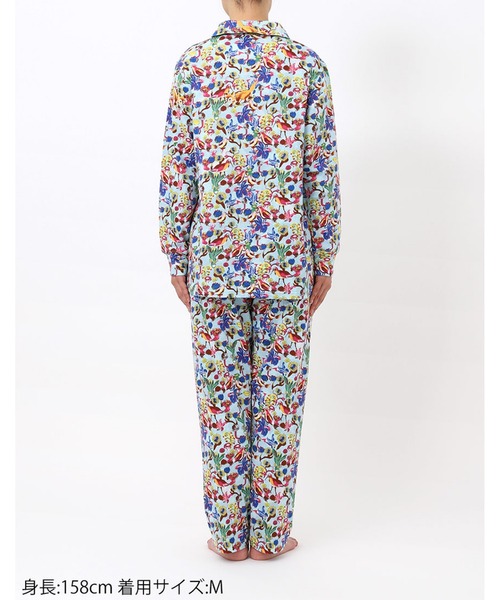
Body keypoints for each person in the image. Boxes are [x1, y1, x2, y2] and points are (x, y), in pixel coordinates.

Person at [158, 0, 341, 561]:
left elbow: (178, 167)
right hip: (286, 262)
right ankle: (269, 537)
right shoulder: (305, 65)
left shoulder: (195, 64)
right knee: (278, 404)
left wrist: (177, 254)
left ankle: (228, 536)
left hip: (214, 261)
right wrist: (324, 255)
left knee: (221, 403)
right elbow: (320, 170)